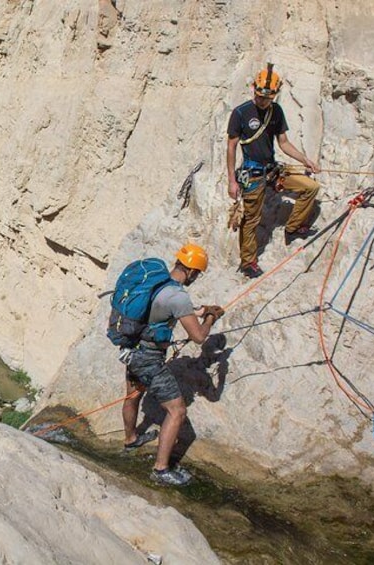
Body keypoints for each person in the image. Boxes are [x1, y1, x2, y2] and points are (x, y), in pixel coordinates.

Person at [121, 243, 224, 486]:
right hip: (149, 359)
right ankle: (161, 469)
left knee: (133, 395)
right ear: (192, 272)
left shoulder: (159, 282)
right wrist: (210, 317)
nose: (196, 278)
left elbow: (171, 308)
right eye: (197, 274)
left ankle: (130, 438)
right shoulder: (178, 296)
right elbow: (199, 337)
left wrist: (199, 311)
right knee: (177, 411)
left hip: (132, 350)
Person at [226, 63, 321, 279]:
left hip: (272, 169)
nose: (262, 101)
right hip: (252, 173)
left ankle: (293, 228)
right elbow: (231, 147)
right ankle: (248, 261)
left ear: (274, 96)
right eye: (260, 96)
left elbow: (284, 142)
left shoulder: (276, 111)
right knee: (251, 218)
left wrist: (305, 160)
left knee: (310, 187)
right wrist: (232, 181)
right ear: (254, 90)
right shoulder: (241, 113)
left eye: (267, 98)